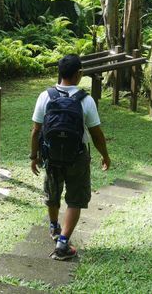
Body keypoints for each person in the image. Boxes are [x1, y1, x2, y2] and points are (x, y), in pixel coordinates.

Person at [30, 54, 111, 261]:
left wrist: (34, 156)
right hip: (78, 157)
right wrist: (105, 155)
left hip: (52, 155)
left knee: (53, 192)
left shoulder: (45, 96)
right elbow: (96, 134)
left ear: (59, 73)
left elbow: (36, 130)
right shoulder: (86, 100)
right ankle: (63, 243)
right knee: (75, 198)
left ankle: (54, 226)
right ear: (78, 74)